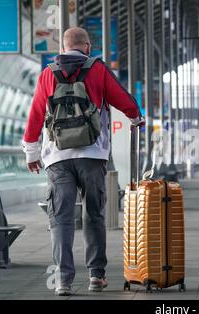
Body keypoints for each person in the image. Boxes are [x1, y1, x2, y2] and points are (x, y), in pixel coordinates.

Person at [22, 27, 144, 296]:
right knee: (94, 215)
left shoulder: (48, 73)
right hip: (93, 155)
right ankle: (96, 277)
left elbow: (35, 114)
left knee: (61, 219)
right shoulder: (97, 69)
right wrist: (136, 116)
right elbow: (121, 97)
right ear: (87, 46)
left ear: (63, 47)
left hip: (57, 158)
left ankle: (64, 280)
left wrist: (32, 153)